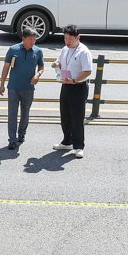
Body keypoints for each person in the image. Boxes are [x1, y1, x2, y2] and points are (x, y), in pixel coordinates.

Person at [0, 26, 44, 151]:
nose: (33, 42)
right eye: (30, 39)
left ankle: (21, 134)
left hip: (29, 88)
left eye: (34, 39)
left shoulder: (38, 51)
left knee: (25, 114)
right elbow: (6, 68)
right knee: (12, 114)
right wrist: (2, 84)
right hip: (13, 88)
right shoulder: (13, 49)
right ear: (23, 39)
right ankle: (12, 140)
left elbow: (41, 66)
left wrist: (38, 75)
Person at [52, 25, 92, 159]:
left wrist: (74, 80)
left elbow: (87, 71)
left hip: (78, 86)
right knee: (65, 115)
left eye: (70, 39)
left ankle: (79, 146)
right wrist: (56, 64)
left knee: (77, 117)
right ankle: (67, 141)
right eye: (65, 38)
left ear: (78, 38)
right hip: (65, 84)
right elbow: (60, 61)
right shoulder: (65, 49)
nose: (67, 41)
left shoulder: (84, 51)